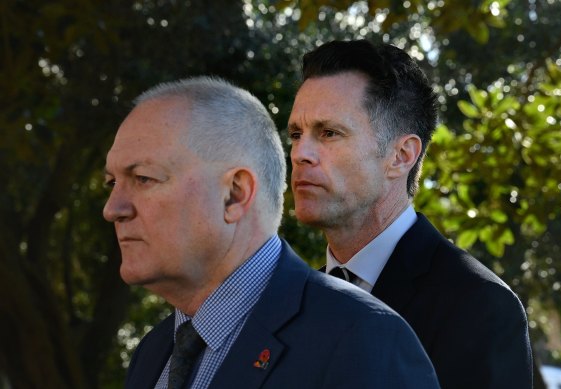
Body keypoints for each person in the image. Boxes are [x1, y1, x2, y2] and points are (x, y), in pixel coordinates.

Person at [103, 76, 439, 389]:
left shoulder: (364, 339)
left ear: (234, 194)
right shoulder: (152, 353)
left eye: (143, 178)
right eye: (111, 183)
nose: (113, 208)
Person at [288, 39, 533, 389]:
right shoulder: (294, 300)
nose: (300, 154)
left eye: (328, 132)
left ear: (401, 156)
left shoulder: (478, 307)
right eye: (296, 134)